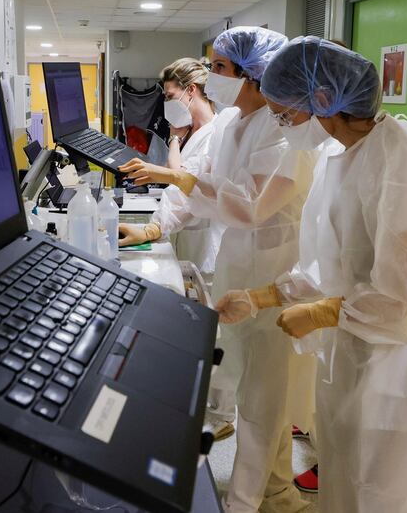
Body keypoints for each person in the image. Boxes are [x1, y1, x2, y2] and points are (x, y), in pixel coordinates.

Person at [215, 36, 407, 513]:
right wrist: (261, 296)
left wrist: (321, 312)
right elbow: (330, 266)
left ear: (323, 101)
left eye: (285, 115)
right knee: (349, 485)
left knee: (394, 495)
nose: (284, 127)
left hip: (405, 367)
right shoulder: (342, 159)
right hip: (355, 352)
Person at [120, 26, 316, 513]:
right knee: (255, 387)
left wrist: (175, 174)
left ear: (253, 76)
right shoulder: (231, 123)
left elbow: (250, 206)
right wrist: (152, 229)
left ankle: (246, 501)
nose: (212, 77)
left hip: (275, 273)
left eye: (222, 69)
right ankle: (277, 492)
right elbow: (201, 188)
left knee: (263, 399)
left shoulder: (280, 128)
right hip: (239, 267)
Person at [118, 58, 233, 278]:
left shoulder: (216, 134)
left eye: (170, 96)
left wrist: (151, 229)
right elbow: (178, 180)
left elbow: (186, 184)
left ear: (191, 90)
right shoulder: (190, 130)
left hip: (205, 245)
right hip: (185, 235)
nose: (167, 103)